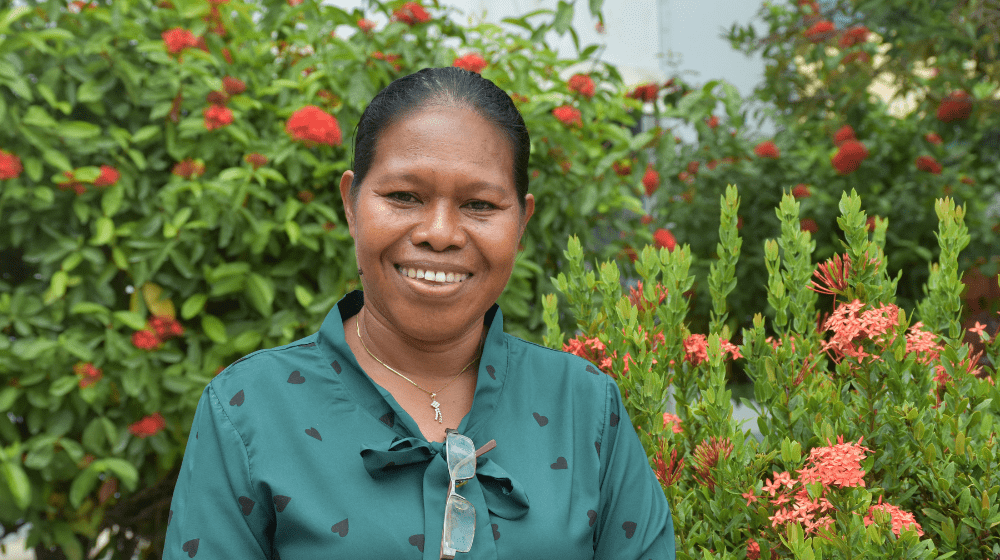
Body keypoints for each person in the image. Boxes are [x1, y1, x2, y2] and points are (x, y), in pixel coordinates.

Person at [164, 67, 675, 559]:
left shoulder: (583, 405)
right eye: (404, 196)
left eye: (479, 205)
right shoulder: (249, 408)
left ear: (521, 220)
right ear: (350, 203)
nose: (440, 232)